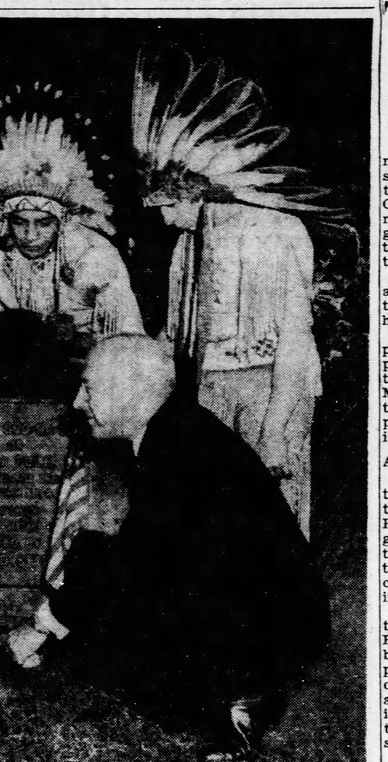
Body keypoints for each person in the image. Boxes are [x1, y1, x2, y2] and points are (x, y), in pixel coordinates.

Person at [8, 335, 330, 758]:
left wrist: (45, 623)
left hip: (273, 622)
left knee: (116, 607)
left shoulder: (178, 446)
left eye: (89, 387)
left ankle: (243, 702)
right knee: (92, 554)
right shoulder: (173, 429)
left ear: (132, 388)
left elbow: (141, 559)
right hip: (266, 602)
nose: (77, 402)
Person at [130, 48, 340, 539]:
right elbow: (174, 335)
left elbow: (295, 341)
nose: (162, 217)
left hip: (270, 388)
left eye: (168, 203)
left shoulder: (275, 232)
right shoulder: (186, 246)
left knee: (274, 513)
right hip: (208, 390)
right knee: (216, 516)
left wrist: (275, 424)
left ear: (196, 192)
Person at [0, 112, 144, 399]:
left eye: (43, 223)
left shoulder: (94, 253)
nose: (30, 234)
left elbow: (127, 332)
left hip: (79, 377)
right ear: (6, 219)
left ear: (61, 221)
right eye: (19, 222)